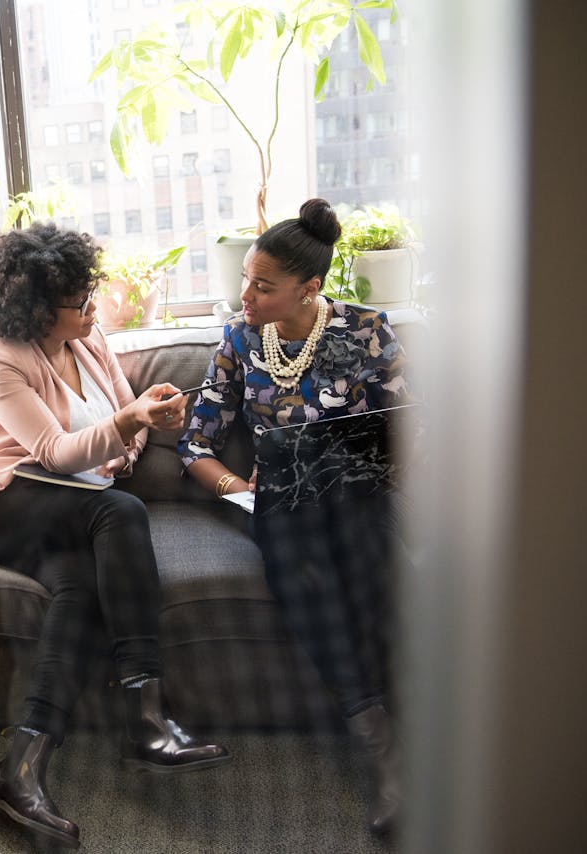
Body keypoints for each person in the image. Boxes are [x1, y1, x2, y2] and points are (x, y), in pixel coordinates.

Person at [0, 223, 229, 849]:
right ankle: (146, 718)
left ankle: (20, 765)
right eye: (79, 300)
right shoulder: (0, 359)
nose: (94, 307)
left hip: (65, 499)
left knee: (83, 586)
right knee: (119, 514)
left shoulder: (90, 340)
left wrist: (135, 433)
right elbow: (53, 450)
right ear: (39, 310)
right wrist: (125, 429)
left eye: (90, 293)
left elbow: (128, 419)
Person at [177, 198, 411, 836]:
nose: (244, 294)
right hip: (280, 507)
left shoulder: (367, 331)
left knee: (365, 544)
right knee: (295, 551)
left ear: (310, 288)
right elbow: (196, 446)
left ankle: (402, 731)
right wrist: (241, 487)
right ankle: (380, 747)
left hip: (360, 500)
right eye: (246, 278)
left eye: (263, 284)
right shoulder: (239, 339)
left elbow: (404, 436)